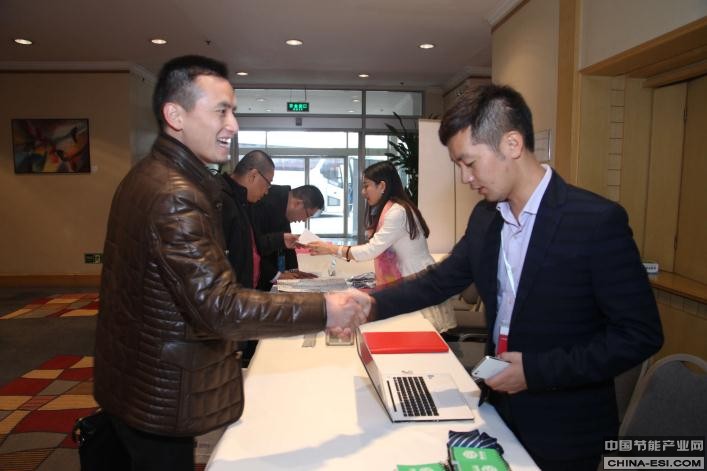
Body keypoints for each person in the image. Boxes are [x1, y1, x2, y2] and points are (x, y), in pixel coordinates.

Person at [361, 85, 663, 471]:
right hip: (497, 409)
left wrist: (535, 372)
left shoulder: (595, 221)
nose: (465, 178)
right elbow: (439, 281)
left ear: (512, 144)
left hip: (564, 430)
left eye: (470, 163)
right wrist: (368, 304)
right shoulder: (487, 218)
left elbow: (640, 334)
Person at [93, 55, 369, 471]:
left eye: (233, 111)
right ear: (175, 115)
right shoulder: (175, 193)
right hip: (159, 387)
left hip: (136, 375)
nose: (233, 125)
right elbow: (220, 306)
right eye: (221, 111)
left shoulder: (148, 175)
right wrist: (325, 309)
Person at [308, 161, 456, 332]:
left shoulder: (396, 213)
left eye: (366, 186)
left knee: (419, 337)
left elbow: (372, 249)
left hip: (416, 279)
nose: (363, 192)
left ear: (382, 186)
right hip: (413, 277)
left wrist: (332, 249)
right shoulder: (394, 209)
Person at [252, 183, 325, 291]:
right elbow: (252, 248)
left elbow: (287, 245)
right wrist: (276, 275)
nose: (304, 220)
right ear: (297, 203)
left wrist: (293, 271)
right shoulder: (266, 203)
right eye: (307, 215)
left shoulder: (283, 203)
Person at [219, 149, 274, 291]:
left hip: (245, 295)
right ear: (253, 175)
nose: (267, 191)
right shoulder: (222, 201)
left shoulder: (244, 201)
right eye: (268, 183)